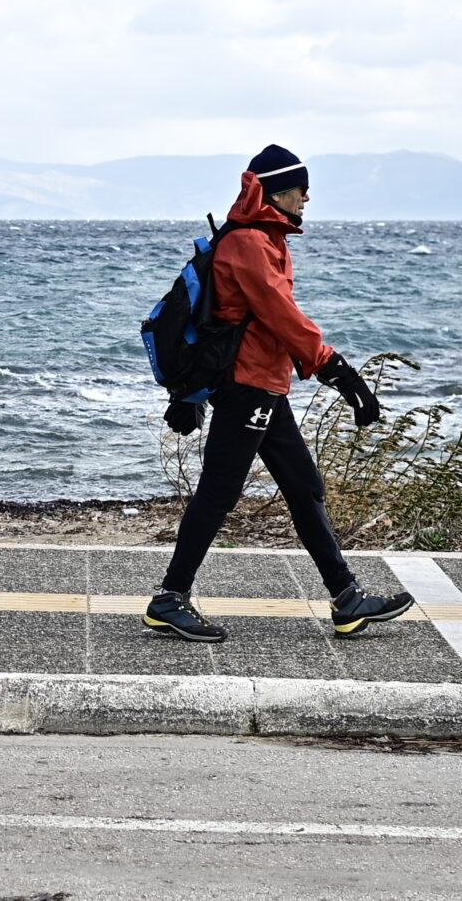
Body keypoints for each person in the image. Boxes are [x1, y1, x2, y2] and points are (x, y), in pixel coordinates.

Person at [144, 145, 417, 643]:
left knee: (304, 486)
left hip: (265, 385)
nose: (306, 198)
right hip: (247, 386)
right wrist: (337, 370)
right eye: (299, 189)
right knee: (220, 491)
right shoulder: (248, 243)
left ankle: (347, 599)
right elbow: (279, 315)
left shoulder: (263, 238)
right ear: (275, 192)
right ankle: (169, 598)